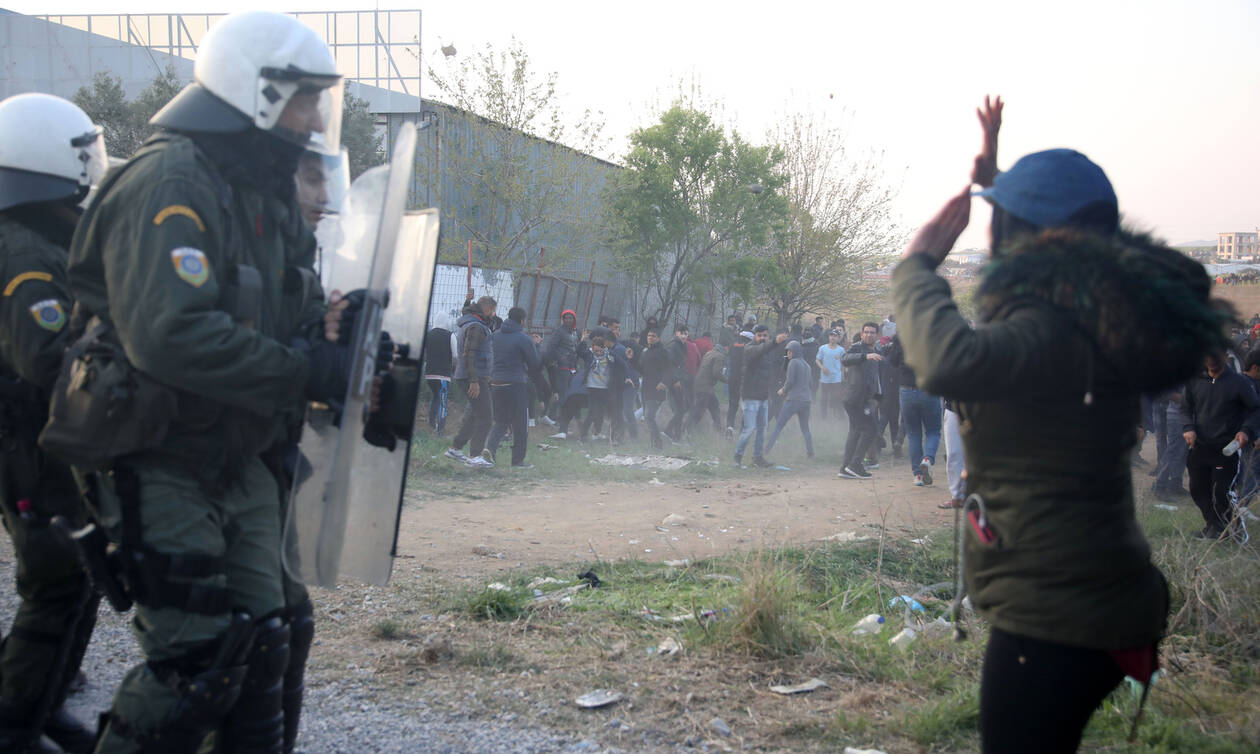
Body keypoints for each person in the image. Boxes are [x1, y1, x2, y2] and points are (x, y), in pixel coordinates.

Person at [892, 95, 1230, 753]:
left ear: (1025, 238)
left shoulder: (1052, 328)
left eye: (1004, 222)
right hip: (1094, 594)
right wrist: (998, 185)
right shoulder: (1095, 312)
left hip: (1056, 614)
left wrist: (917, 267)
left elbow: (944, 358)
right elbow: (1072, 243)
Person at [63, 12, 356, 752]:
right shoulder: (169, 178)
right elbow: (171, 334)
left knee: (271, 637)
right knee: (198, 656)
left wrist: (342, 337)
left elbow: (296, 308)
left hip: (236, 450)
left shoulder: (260, 191)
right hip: (157, 451)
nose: (316, 116)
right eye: (304, 98)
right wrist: (300, 369)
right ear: (254, 92)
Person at [0, 93, 107, 754]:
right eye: (82, 155)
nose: (90, 169)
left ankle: (39, 702)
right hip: (27, 440)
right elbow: (43, 355)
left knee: (81, 574)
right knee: (56, 577)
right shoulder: (23, 253)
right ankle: (13, 726)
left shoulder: (41, 238)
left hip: (46, 441)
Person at [1180, 352, 1259, 541]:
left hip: (1227, 447)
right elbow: (1185, 408)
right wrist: (1188, 427)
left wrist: (1246, 431)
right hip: (1199, 445)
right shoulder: (1194, 380)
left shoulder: (1239, 383)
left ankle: (1238, 533)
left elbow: (1255, 409)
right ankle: (1214, 527)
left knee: (1221, 491)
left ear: (1225, 357)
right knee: (1198, 489)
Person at [484, 306, 541, 468]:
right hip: (515, 384)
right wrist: (536, 345)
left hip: (496, 383)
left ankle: (490, 450)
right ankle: (517, 461)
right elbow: (534, 364)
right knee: (520, 424)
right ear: (522, 320)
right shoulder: (523, 338)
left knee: (500, 421)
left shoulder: (495, 336)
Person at [446, 295, 497, 467]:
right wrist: (474, 380)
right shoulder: (476, 326)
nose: (494, 315)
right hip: (472, 377)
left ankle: (456, 448)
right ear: (488, 309)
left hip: (473, 375)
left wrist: (484, 374)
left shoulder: (471, 322)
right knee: (486, 417)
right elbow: (469, 354)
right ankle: (475, 456)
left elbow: (477, 353)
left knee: (476, 414)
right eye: (493, 311)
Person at [886, 334, 940, 485]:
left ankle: (917, 476)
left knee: (913, 434)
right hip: (930, 388)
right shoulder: (934, 333)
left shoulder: (902, 334)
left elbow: (892, 361)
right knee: (933, 430)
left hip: (907, 389)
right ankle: (927, 459)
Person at [734, 326, 787, 468]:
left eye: (765, 335)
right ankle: (737, 458)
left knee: (762, 428)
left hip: (763, 396)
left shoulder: (768, 352)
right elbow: (760, 350)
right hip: (750, 396)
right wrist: (775, 341)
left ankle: (757, 458)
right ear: (754, 336)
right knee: (749, 429)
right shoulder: (750, 349)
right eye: (759, 335)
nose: (762, 338)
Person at [838, 322, 883, 479]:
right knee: (870, 430)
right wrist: (865, 356)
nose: (869, 335)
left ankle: (845, 468)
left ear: (877, 335)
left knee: (856, 432)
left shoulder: (876, 350)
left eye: (872, 332)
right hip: (855, 398)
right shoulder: (858, 347)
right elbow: (845, 359)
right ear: (862, 333)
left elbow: (874, 378)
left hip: (865, 399)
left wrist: (877, 398)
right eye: (866, 332)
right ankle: (855, 465)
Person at [763, 340, 814, 460]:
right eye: (787, 351)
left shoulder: (793, 363)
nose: (788, 353)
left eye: (790, 351)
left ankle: (766, 450)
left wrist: (783, 390)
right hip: (806, 401)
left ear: (795, 351)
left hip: (793, 400)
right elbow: (811, 384)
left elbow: (790, 381)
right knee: (805, 428)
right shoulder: (807, 365)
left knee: (778, 426)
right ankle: (810, 452)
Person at [637, 327, 675, 449]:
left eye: (653, 336)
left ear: (658, 338)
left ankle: (658, 443)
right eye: (649, 336)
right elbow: (640, 369)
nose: (650, 338)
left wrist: (664, 382)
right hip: (645, 388)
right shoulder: (645, 351)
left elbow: (670, 369)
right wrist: (630, 358)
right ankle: (654, 443)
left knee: (649, 416)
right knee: (648, 417)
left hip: (657, 388)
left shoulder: (663, 352)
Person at [541, 309, 579, 425]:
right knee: (562, 393)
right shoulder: (559, 331)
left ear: (574, 319)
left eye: (570, 318)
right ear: (563, 319)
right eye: (566, 318)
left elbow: (575, 348)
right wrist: (555, 360)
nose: (568, 320)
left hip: (572, 366)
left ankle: (555, 417)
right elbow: (551, 347)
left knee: (570, 392)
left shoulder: (575, 332)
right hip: (562, 366)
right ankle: (558, 419)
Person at [423, 312, 456, 433]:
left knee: (435, 397)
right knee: (443, 401)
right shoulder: (450, 335)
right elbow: (456, 355)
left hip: (429, 374)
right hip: (443, 376)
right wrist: (453, 367)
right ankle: (441, 430)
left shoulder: (428, 335)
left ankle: (432, 423)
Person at [688, 341, 726, 432]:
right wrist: (727, 380)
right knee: (699, 411)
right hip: (705, 388)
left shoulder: (709, 353)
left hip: (701, 385)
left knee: (714, 406)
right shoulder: (719, 356)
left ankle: (718, 429)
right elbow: (716, 373)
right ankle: (687, 429)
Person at [815, 328, 845, 421]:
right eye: (831, 335)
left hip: (836, 377)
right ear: (829, 337)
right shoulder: (822, 348)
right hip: (825, 378)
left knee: (837, 397)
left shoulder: (841, 350)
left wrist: (843, 375)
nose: (833, 337)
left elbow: (843, 364)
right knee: (824, 398)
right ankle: (823, 416)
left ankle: (839, 415)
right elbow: (817, 360)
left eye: (835, 336)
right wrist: (822, 367)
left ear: (838, 338)